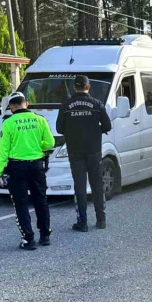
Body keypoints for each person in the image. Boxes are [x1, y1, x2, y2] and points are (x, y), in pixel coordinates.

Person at [0, 91, 56, 250]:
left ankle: (28, 239)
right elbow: (50, 143)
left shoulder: (8, 123)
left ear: (11, 107)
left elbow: (4, 150)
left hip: (17, 167)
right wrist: (37, 147)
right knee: (40, 200)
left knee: (21, 203)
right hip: (37, 166)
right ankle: (45, 235)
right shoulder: (40, 119)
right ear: (26, 104)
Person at [57, 75, 112, 232]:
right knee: (97, 185)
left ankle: (82, 222)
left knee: (79, 187)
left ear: (75, 87)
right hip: (94, 151)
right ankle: (101, 220)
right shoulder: (96, 104)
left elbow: (60, 128)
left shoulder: (66, 105)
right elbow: (107, 126)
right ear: (89, 87)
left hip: (75, 152)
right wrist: (95, 131)